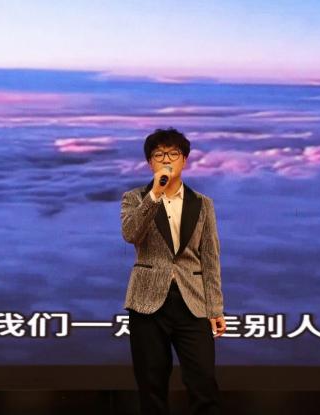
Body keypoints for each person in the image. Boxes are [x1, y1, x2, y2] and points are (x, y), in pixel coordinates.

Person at [120, 127, 226, 415]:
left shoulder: (202, 204)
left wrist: (215, 308)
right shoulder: (134, 198)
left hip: (192, 302)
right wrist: (154, 195)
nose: (166, 159)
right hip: (147, 304)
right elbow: (131, 234)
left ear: (185, 160)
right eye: (159, 155)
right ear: (149, 162)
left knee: (203, 382)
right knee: (151, 385)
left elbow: (210, 257)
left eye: (173, 154)